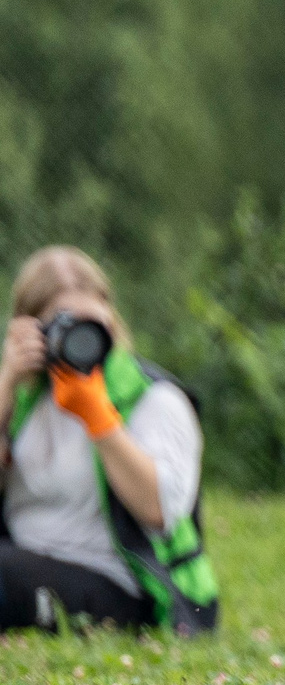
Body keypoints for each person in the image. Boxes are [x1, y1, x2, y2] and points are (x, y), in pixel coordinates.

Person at [1, 247, 218, 634]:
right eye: (64, 326)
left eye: (94, 324)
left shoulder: (155, 399)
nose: (81, 340)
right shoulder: (25, 401)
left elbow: (159, 510)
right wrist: (7, 382)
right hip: (24, 559)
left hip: (120, 584)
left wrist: (98, 418)